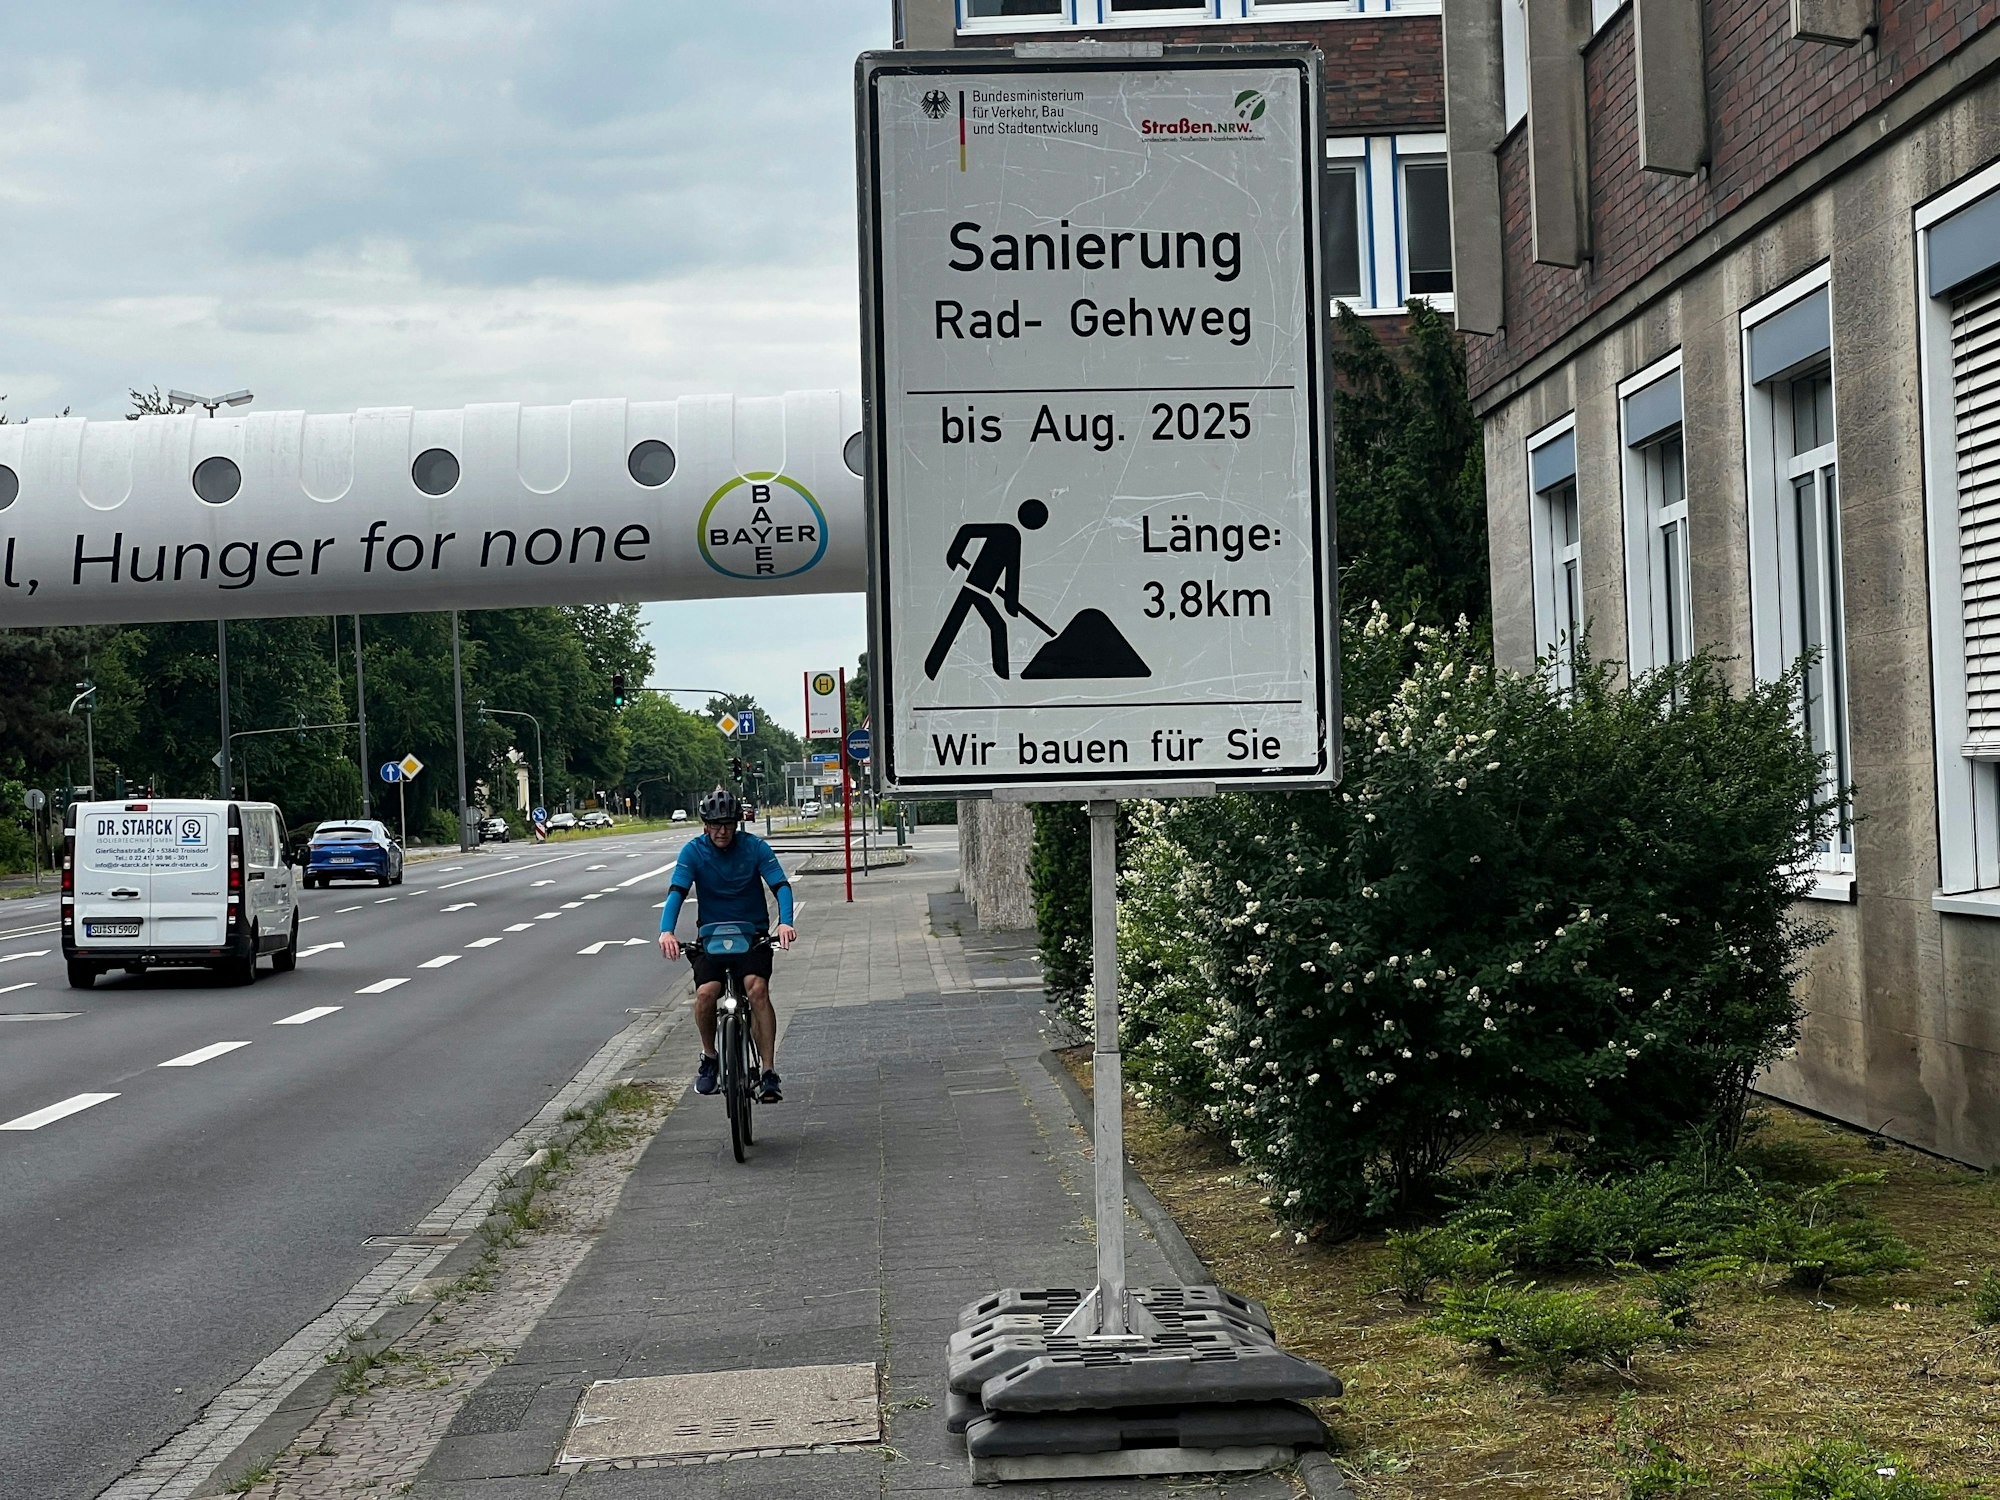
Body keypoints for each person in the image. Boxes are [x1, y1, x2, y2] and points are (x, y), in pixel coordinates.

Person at [658, 787, 797, 1102]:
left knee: (757, 989)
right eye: (716, 825)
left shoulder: (755, 848)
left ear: (738, 824)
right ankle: (710, 1057)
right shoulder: (693, 852)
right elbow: (677, 891)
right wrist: (666, 930)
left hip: (752, 937)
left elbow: (781, 885)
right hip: (712, 939)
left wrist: (785, 922)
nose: (723, 831)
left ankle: (768, 1071)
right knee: (706, 994)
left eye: (729, 824)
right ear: (705, 825)